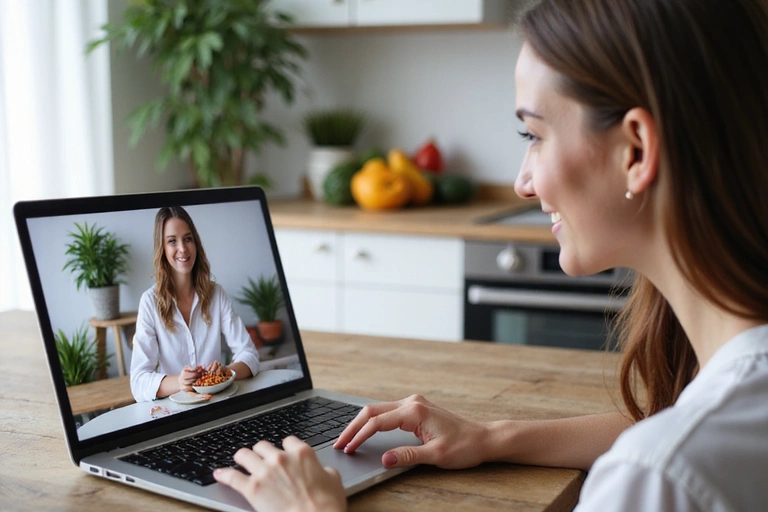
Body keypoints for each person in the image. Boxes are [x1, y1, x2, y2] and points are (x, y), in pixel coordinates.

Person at [213, 0, 768, 509]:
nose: (523, 182)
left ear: (637, 150)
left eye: (534, 135)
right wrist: (494, 436)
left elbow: (664, 453)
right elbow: (674, 425)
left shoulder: (656, 478)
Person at [130, 206, 260, 402]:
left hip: (217, 405)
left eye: (188, 239)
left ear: (196, 243)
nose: (182, 248)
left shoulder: (216, 294)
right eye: (172, 241)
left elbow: (249, 354)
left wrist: (225, 372)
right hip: (175, 413)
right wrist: (180, 383)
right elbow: (138, 382)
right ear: (162, 249)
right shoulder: (150, 302)